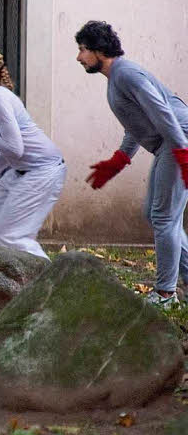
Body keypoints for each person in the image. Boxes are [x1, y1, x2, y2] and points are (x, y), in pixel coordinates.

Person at [76, 20, 188, 309]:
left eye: (83, 50)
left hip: (178, 139)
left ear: (99, 50)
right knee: (158, 216)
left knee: (164, 217)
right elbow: (137, 124)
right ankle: (173, 290)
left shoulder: (125, 74)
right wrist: (119, 159)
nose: (79, 57)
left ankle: (165, 295)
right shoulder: (117, 78)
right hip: (170, 142)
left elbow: (161, 111)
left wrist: (182, 153)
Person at [0, 45, 65, 259]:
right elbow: (13, 151)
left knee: (11, 236)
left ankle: (51, 283)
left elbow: (16, 148)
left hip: (44, 170)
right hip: (21, 170)